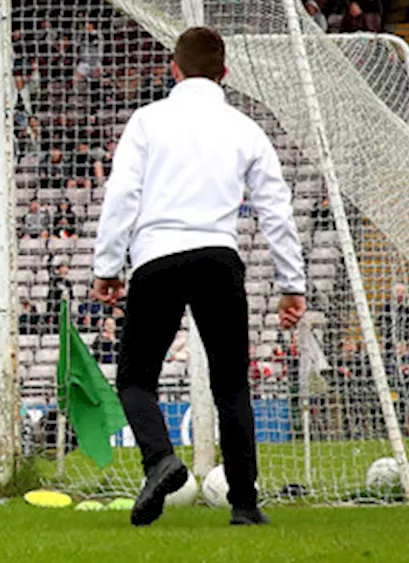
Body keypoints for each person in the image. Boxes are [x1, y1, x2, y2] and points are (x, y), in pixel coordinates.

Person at [91, 27, 305, 527]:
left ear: (174, 68)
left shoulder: (146, 121)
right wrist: (291, 284)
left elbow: (122, 193)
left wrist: (107, 266)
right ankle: (245, 506)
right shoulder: (245, 128)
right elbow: (276, 210)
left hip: (156, 257)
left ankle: (160, 459)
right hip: (217, 256)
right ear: (225, 73)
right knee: (231, 386)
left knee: (136, 378)